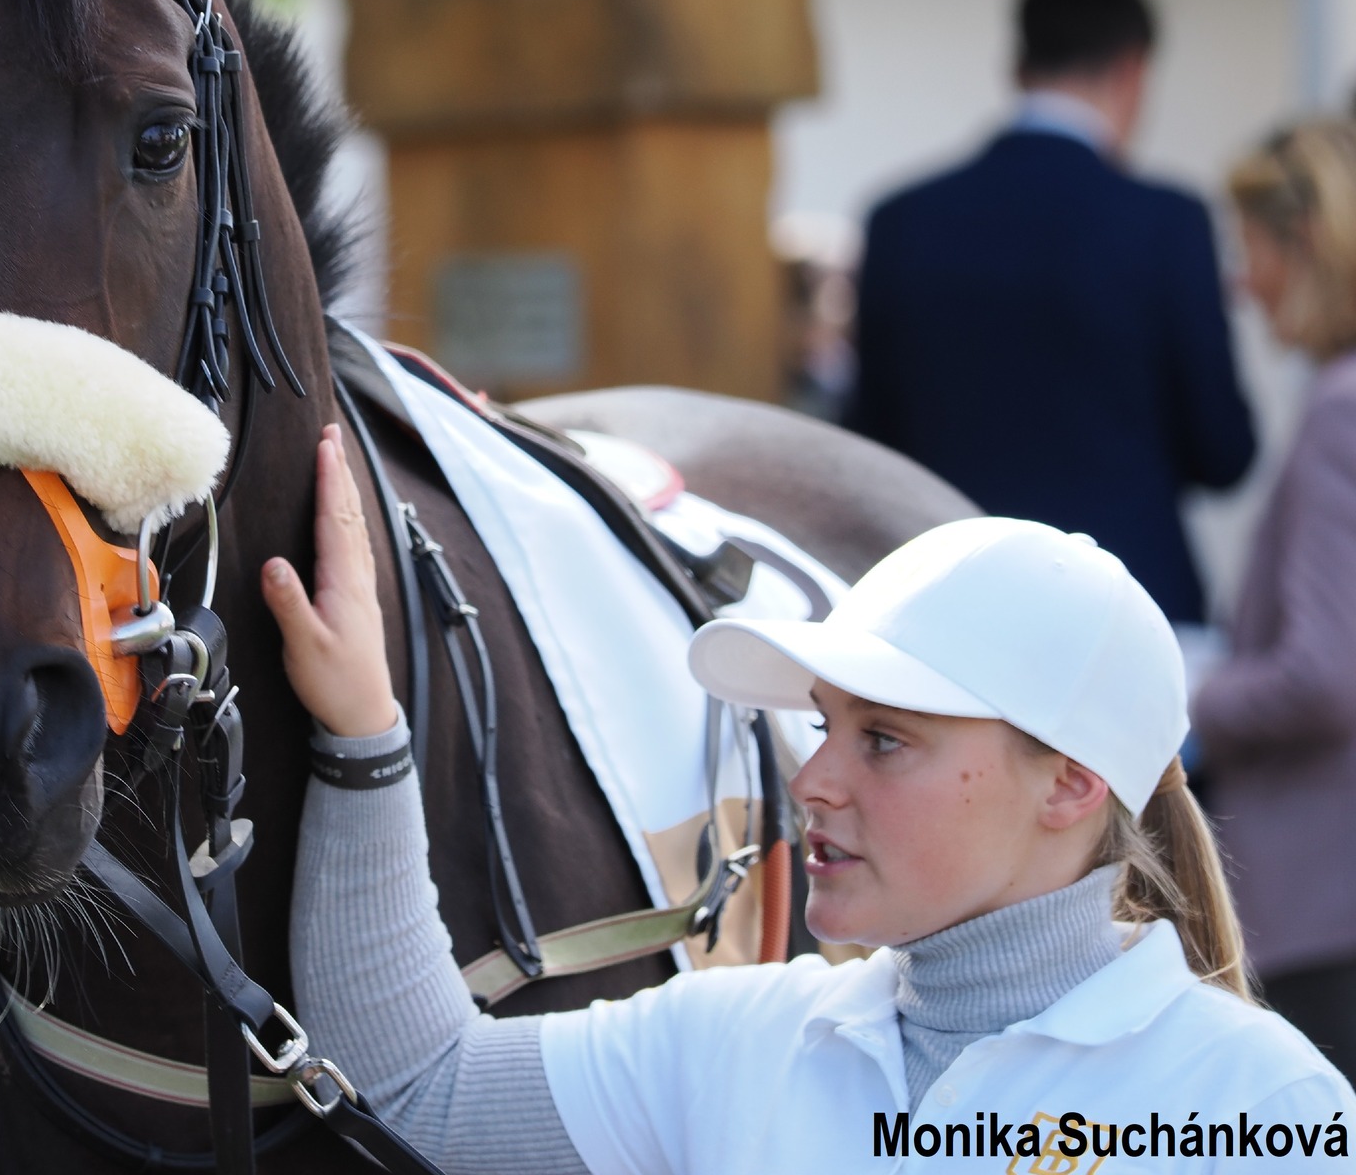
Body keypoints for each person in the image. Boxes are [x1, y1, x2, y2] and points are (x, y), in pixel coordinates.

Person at [265, 425, 1352, 1172]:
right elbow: (416, 1084)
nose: (811, 779)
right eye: (824, 725)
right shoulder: (741, 1038)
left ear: (1069, 783)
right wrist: (365, 734)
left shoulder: (1257, 1107)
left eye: (884, 739)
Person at [848, 0, 1255, 624]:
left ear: (1017, 68)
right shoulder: (1165, 223)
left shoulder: (902, 220)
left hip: (948, 605)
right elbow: (1223, 451)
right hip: (1127, 606)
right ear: (1133, 69)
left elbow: (874, 440)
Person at [1191, 120, 1356, 1075]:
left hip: (1326, 902)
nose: (1241, 281)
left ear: (1308, 244)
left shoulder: (1339, 413)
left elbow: (1323, 679)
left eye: (1247, 246)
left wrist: (1191, 690)